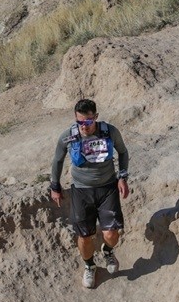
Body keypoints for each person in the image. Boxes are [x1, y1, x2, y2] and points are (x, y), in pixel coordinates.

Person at [50, 99, 130, 289]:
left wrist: (123, 177)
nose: (84, 126)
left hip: (107, 188)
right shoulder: (69, 136)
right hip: (81, 190)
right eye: (80, 122)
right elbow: (57, 160)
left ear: (95, 117)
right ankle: (89, 266)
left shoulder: (109, 132)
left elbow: (123, 152)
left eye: (88, 121)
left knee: (111, 234)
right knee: (85, 236)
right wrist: (55, 186)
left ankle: (108, 251)